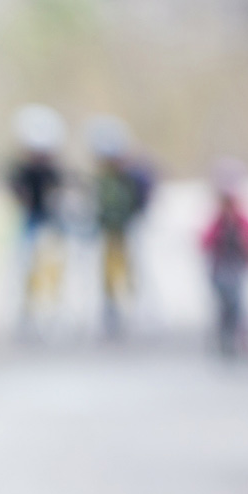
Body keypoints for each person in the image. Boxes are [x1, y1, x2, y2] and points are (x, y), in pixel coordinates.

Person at [85, 115, 154, 337]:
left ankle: (139, 312)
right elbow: (97, 202)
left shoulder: (134, 175)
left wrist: (138, 214)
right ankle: (111, 312)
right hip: (108, 232)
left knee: (133, 270)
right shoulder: (102, 178)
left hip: (128, 229)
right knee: (109, 273)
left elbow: (143, 197)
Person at [5, 104, 67, 332]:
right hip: (31, 220)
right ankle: (27, 310)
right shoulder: (21, 170)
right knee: (26, 264)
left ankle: (53, 306)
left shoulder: (53, 170)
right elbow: (14, 188)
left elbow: (62, 189)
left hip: (51, 221)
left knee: (53, 264)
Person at [200, 159, 248, 358]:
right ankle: (225, 338)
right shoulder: (216, 221)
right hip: (219, 267)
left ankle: (241, 339)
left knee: (238, 305)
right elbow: (205, 242)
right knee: (223, 306)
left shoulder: (243, 222)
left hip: (237, 267)